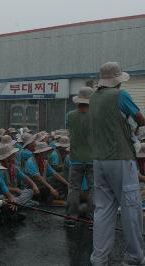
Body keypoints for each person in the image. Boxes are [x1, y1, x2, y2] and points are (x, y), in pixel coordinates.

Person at [89, 62, 145, 266]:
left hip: (99, 161)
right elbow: (141, 119)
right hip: (120, 158)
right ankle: (134, 257)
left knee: (103, 209)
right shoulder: (120, 95)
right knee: (131, 207)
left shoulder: (93, 98)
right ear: (117, 80)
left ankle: (99, 258)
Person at [65, 86, 94, 228]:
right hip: (93, 158)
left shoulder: (70, 115)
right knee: (93, 188)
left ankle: (71, 217)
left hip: (75, 158)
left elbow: (69, 130)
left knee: (74, 188)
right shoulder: (96, 115)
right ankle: (92, 219)